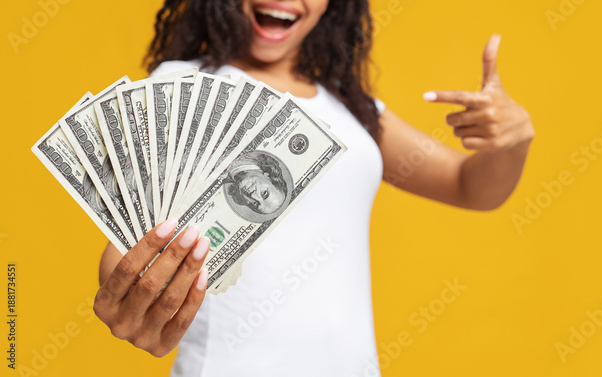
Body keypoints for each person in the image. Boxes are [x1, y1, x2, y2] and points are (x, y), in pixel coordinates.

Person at [92, 0, 534, 375]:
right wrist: (127, 295)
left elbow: (471, 187)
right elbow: (128, 237)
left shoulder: (353, 109)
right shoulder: (183, 84)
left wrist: (513, 140)